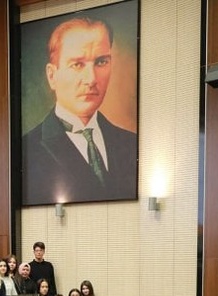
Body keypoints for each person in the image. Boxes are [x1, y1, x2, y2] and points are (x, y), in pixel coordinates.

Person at [22, 17, 138, 204]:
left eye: (101, 62)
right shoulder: (26, 152)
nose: (91, 79)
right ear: (52, 76)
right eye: (77, 64)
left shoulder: (131, 144)